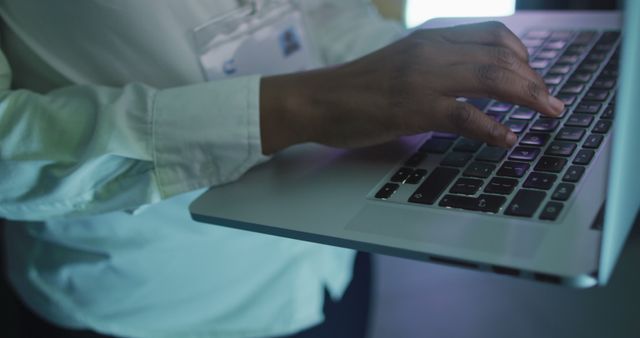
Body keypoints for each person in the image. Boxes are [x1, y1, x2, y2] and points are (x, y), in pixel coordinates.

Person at [0, 1, 564, 337]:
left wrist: (426, 70)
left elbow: (322, 12)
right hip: (152, 307)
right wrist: (300, 107)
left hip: (331, 264)